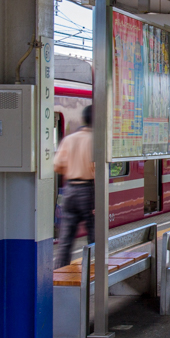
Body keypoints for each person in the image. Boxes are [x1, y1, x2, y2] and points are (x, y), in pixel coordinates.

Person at [53, 105, 95, 269]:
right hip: (88, 189)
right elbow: (98, 170)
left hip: (70, 190)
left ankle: (59, 273)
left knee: (65, 239)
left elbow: (57, 166)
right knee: (94, 235)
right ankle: (96, 273)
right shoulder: (96, 141)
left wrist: (72, 169)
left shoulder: (69, 139)